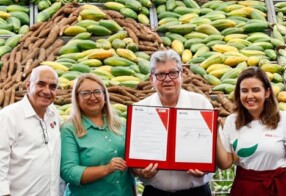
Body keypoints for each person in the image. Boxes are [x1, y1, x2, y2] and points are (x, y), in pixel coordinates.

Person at [132, 49, 214, 196]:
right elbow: (134, 159)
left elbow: (214, 150)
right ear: (151, 79)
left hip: (196, 192)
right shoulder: (140, 110)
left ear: (181, 75)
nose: (168, 79)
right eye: (161, 74)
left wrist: (206, 167)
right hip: (156, 193)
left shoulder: (201, 104)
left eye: (173, 73)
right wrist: (140, 171)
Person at [60, 73, 135, 196]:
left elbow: (131, 161)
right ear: (77, 99)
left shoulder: (119, 124)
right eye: (85, 93)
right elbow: (69, 172)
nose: (92, 97)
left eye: (97, 92)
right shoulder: (69, 129)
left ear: (104, 96)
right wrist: (106, 169)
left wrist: (142, 171)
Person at [216, 67, 286, 196]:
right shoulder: (232, 121)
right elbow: (225, 163)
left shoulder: (283, 120)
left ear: (267, 93)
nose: (249, 96)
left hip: (277, 187)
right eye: (244, 91)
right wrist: (215, 133)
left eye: (255, 90)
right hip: (245, 187)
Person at [0, 65, 61, 195]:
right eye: (41, 84)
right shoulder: (8, 117)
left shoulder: (54, 113)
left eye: (52, 87)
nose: (46, 91)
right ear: (28, 86)